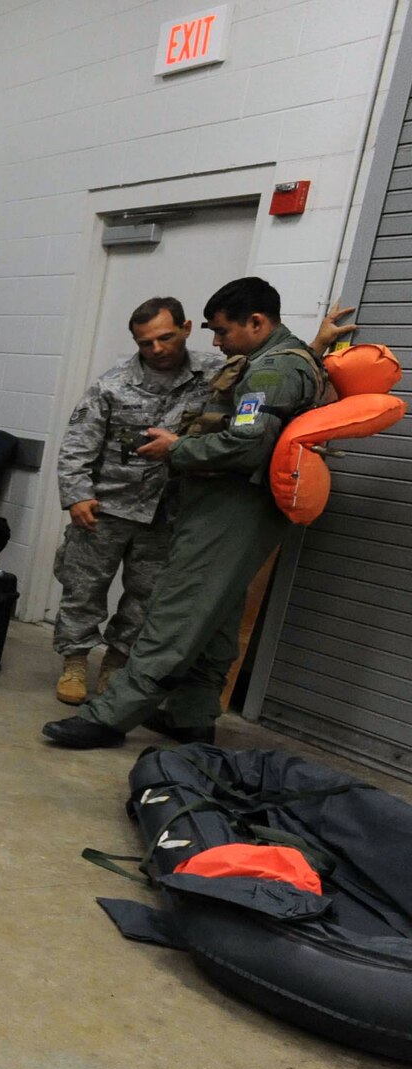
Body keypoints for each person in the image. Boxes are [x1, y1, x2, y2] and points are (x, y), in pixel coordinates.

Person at [44, 278, 328, 749]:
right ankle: (193, 716)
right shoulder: (272, 362)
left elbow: (245, 443)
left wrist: (179, 448)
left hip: (221, 513)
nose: (216, 341)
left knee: (168, 618)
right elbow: (78, 445)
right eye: (145, 342)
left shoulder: (264, 370)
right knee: (215, 620)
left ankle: (109, 717)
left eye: (221, 330)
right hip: (149, 507)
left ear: (256, 323)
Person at [51, 297, 226, 704]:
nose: (157, 349)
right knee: (83, 587)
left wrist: (321, 344)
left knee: (148, 596)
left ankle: (117, 662)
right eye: (146, 343)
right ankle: (75, 661)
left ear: (185, 328)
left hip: (169, 511)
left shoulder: (217, 374)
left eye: (166, 338)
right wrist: (77, 495)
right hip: (106, 507)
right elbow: (77, 445)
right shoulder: (111, 384)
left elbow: (270, 371)